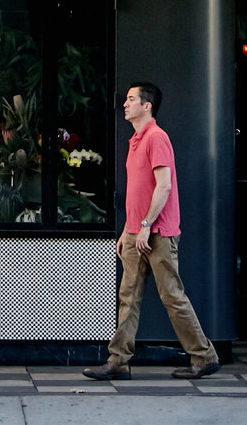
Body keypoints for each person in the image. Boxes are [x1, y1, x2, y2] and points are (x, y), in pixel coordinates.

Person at [83, 82, 220, 381]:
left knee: (172, 295)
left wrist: (145, 226)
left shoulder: (157, 138)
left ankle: (204, 356)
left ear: (147, 106)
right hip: (136, 231)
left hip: (157, 232)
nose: (125, 104)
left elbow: (165, 186)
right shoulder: (135, 140)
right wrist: (127, 231)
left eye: (131, 99)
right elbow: (138, 192)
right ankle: (118, 361)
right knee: (127, 297)